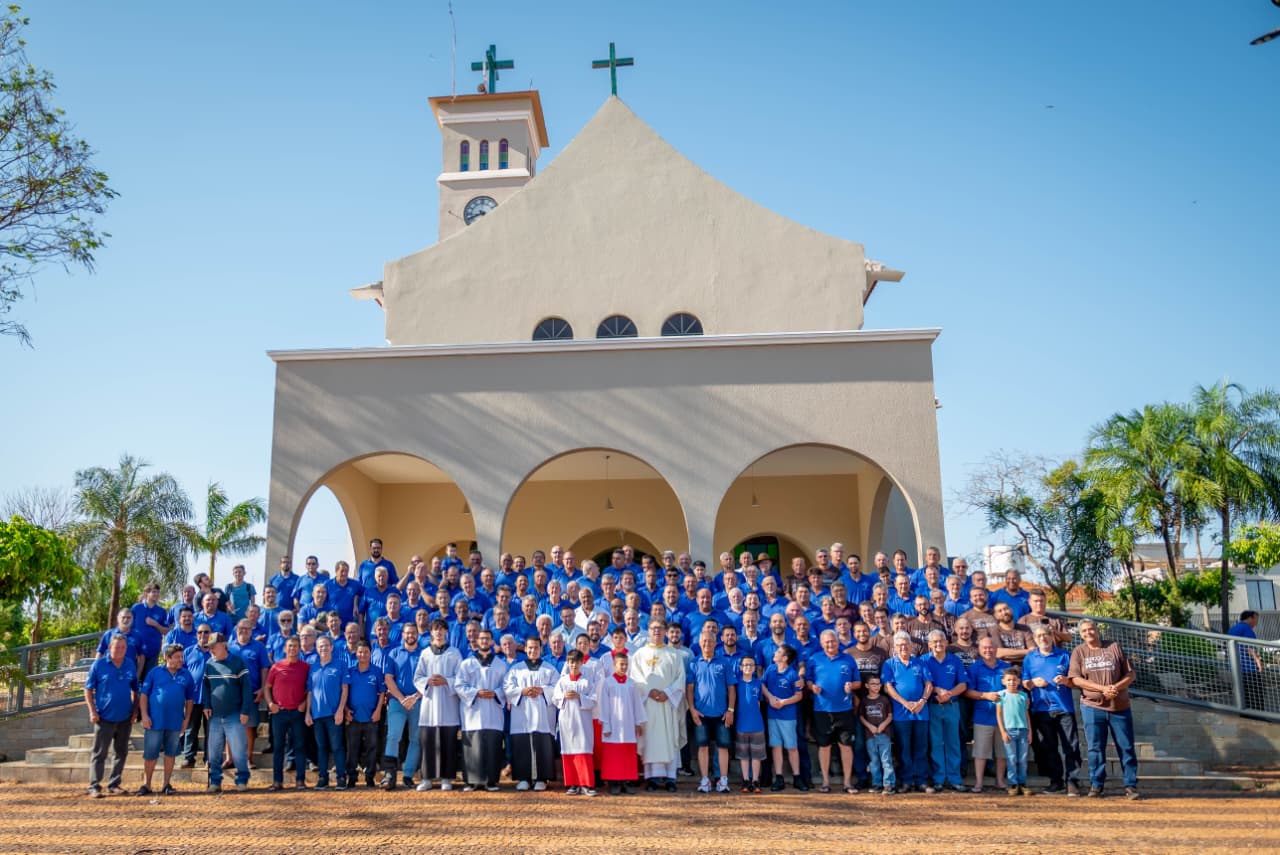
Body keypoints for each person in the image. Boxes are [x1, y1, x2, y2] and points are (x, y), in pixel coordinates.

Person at [1068, 618, 1140, 799]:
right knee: (1095, 748)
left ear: (1097, 630)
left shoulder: (1114, 647)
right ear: (1081, 634)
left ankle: (1130, 785)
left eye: (1090, 629)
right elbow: (1076, 679)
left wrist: (1115, 687)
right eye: (1084, 631)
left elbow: (1130, 674)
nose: (1088, 633)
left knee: (1126, 746)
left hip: (1119, 707)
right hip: (1092, 707)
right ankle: (1097, 785)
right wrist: (1102, 689)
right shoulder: (1079, 652)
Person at [1022, 625, 1081, 795]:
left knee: (1071, 746)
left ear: (1052, 636)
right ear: (1034, 639)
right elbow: (1025, 682)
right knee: (1049, 747)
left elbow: (1075, 681)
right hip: (1041, 709)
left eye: (1046, 635)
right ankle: (1056, 782)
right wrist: (1033, 683)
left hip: (1064, 708)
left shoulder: (1065, 655)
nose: (1043, 638)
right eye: (1039, 636)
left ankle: (1073, 782)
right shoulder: (1030, 658)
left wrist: (1066, 681)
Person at [629, 620, 686, 791]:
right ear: (648, 630)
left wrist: (668, 693)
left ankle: (670, 778)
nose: (657, 631)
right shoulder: (640, 654)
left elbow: (680, 678)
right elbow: (635, 678)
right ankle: (652, 778)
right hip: (648, 704)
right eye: (653, 628)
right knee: (650, 740)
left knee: (669, 738)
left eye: (660, 629)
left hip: (667, 704)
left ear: (666, 632)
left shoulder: (674, 654)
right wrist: (649, 691)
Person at [83, 634, 139, 798]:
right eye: (117, 647)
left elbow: (135, 689)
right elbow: (88, 689)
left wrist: (135, 711)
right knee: (99, 753)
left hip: (125, 718)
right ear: (109, 648)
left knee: (121, 753)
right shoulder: (99, 665)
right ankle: (94, 786)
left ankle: (114, 784)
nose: (120, 650)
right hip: (104, 718)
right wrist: (92, 711)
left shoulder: (130, 664)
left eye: (123, 647)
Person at [807, 629, 861, 794]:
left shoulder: (848, 659)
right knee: (824, 746)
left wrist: (851, 686)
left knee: (846, 746)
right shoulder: (814, 659)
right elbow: (808, 680)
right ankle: (825, 782)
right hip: (822, 710)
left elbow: (858, 682)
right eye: (827, 642)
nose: (830, 644)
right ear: (822, 643)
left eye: (833, 641)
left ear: (838, 642)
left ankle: (847, 783)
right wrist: (812, 687)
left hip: (844, 710)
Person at [455, 628, 509, 792]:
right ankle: (471, 782)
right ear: (477, 641)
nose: (484, 641)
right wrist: (476, 693)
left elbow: (507, 686)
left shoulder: (501, 665)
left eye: (487, 639)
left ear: (492, 642)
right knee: (472, 747)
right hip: (473, 713)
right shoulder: (467, 664)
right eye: (482, 638)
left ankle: (491, 781)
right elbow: (459, 685)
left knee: (492, 746)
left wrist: (495, 693)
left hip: (493, 712)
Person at [504, 636, 560, 791]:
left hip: (543, 715)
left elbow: (557, 688)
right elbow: (507, 687)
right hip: (522, 714)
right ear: (525, 649)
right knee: (522, 745)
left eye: (536, 648)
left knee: (543, 745)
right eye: (530, 648)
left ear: (541, 649)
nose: (533, 650)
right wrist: (522, 691)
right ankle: (524, 778)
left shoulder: (549, 669)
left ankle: (542, 778)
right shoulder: (516, 669)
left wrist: (542, 690)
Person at [137, 642, 193, 796]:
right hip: (154, 722)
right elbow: (144, 695)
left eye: (181, 657)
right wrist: (144, 715)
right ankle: (147, 784)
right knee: (150, 754)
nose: (181, 660)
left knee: (171, 753)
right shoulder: (154, 672)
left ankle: (166, 784)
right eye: (177, 657)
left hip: (175, 722)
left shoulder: (186, 675)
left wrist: (186, 719)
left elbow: (189, 700)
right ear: (167, 658)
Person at [413, 618, 462, 791]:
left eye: (442, 629)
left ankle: (446, 778)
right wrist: (428, 681)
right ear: (431, 633)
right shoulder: (425, 653)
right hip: (430, 705)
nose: (439, 632)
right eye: (436, 629)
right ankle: (427, 778)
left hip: (448, 705)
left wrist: (446, 681)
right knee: (428, 743)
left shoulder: (454, 653)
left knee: (448, 742)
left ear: (446, 632)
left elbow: (461, 678)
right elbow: (417, 678)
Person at [688, 622, 737, 794]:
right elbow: (690, 689)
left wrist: (730, 710)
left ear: (716, 643)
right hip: (701, 714)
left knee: (723, 747)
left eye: (710, 641)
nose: (707, 644)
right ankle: (704, 780)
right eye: (704, 641)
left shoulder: (724, 663)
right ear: (699, 643)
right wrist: (692, 709)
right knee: (702, 747)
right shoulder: (694, 663)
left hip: (722, 714)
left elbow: (731, 688)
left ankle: (723, 780)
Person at [202, 632, 254, 793]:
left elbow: (246, 688)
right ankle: (215, 781)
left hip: (235, 714)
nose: (211, 650)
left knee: (238, 751)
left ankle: (242, 780)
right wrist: (206, 705)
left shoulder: (238, 662)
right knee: (213, 752)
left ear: (224, 645)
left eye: (214, 646)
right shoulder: (209, 664)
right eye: (209, 647)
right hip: (215, 716)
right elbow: (206, 687)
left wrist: (245, 710)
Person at [881, 631, 932, 793]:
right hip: (901, 713)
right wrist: (905, 703)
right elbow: (888, 687)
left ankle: (921, 781)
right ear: (895, 648)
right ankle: (906, 781)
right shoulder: (889, 664)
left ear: (911, 646)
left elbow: (929, 684)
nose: (903, 647)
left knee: (921, 748)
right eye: (899, 645)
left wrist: (922, 701)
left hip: (921, 712)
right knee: (904, 749)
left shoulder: (920, 663)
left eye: (906, 644)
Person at [596, 649, 647, 795]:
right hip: (613, 725)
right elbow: (604, 705)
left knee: (627, 754)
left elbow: (637, 704)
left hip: (628, 725)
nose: (624, 667)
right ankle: (614, 782)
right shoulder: (608, 683)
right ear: (614, 665)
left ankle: (627, 781)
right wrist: (606, 724)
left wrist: (638, 722)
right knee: (613, 755)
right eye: (621, 664)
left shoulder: (631, 684)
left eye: (626, 664)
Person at [923, 629, 968, 792]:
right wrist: (937, 691)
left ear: (946, 642)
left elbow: (963, 684)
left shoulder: (955, 660)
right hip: (933, 707)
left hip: (952, 706)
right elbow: (923, 683)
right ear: (929, 644)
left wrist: (949, 694)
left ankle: (955, 779)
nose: (938, 644)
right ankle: (939, 779)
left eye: (941, 640)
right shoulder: (924, 660)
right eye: (934, 641)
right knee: (936, 743)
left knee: (953, 743)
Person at [965, 635, 1011, 792]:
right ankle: (979, 783)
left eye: (991, 647)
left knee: (1002, 751)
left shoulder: (1006, 667)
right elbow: (968, 691)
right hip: (982, 716)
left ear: (996, 649)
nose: (988, 650)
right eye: (984, 648)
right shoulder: (974, 668)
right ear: (979, 650)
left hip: (1004, 717)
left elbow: (1015, 688)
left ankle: (1000, 781)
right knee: (980, 752)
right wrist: (985, 695)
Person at [264, 635, 309, 791]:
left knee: (300, 746)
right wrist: (270, 704)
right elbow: (267, 687)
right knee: (278, 747)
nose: (292, 648)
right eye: (290, 646)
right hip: (279, 713)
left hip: (297, 712)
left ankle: (300, 780)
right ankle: (277, 781)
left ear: (300, 648)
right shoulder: (276, 667)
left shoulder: (305, 667)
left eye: (295, 646)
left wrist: (304, 703)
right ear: (284, 649)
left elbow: (310, 689)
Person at [305, 635, 350, 790]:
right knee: (321, 747)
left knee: (337, 747)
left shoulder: (340, 665)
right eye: (320, 646)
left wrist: (340, 710)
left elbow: (345, 689)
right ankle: (323, 778)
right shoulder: (313, 668)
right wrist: (308, 713)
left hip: (334, 714)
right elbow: (310, 692)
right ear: (317, 649)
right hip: (317, 715)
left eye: (325, 645)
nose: (323, 648)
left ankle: (341, 778)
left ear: (331, 647)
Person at [553, 649, 597, 796]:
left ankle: (587, 784)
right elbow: (555, 699)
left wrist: (580, 697)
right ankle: (573, 784)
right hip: (566, 720)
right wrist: (564, 696)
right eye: (571, 662)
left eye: (577, 662)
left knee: (583, 749)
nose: (574, 665)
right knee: (568, 750)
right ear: (567, 663)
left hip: (582, 721)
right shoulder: (562, 681)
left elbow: (593, 700)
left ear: (582, 663)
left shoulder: (587, 681)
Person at [762, 644, 804, 791]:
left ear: (785, 658)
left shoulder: (793, 674)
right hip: (772, 715)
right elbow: (762, 685)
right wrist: (770, 697)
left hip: (788, 717)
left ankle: (797, 777)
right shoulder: (770, 669)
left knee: (791, 747)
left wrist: (783, 702)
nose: (775, 653)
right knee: (776, 746)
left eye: (779, 652)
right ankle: (779, 778)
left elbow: (799, 695)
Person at [228, 619, 268, 768]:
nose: (243, 631)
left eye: (247, 628)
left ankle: (247, 759)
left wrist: (263, 688)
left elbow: (264, 668)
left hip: (251, 692)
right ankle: (230, 759)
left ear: (252, 630)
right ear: (236, 629)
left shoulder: (259, 647)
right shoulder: (229, 647)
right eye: (241, 628)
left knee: (249, 726)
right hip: (231, 693)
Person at [345, 640, 385, 787]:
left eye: (366, 652)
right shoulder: (350, 671)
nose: (363, 655)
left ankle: (369, 777)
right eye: (360, 652)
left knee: (372, 748)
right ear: (356, 653)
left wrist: (378, 710)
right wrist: (346, 710)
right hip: (353, 717)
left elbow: (382, 692)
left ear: (370, 653)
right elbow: (344, 692)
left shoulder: (377, 671)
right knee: (352, 748)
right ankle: (352, 777)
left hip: (371, 717)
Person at [996, 669, 1032, 796]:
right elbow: (999, 714)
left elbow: (1026, 714)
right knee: (1011, 758)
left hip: (1023, 730)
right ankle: (1013, 783)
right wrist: (1003, 732)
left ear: (1019, 681)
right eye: (1009, 680)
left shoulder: (1023, 696)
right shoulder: (1001, 695)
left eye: (1014, 680)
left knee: (1022, 759)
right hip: (1009, 731)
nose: (1012, 682)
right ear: (1003, 681)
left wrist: (1030, 731)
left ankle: (1022, 783)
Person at [734, 654, 766, 793]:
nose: (748, 667)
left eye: (751, 665)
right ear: (741, 667)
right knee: (744, 755)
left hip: (757, 724)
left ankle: (755, 780)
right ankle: (746, 780)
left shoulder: (758, 683)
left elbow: (758, 703)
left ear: (754, 668)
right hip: (741, 724)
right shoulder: (736, 683)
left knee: (757, 755)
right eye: (746, 665)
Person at [1229, 610, 1266, 710]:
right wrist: (1257, 660)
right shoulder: (1246, 629)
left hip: (1236, 668)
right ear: (1250, 618)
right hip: (1249, 668)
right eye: (1256, 620)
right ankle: (1258, 715)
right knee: (1256, 696)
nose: (1256, 623)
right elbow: (1248, 646)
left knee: (1243, 696)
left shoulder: (1234, 628)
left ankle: (1245, 714)